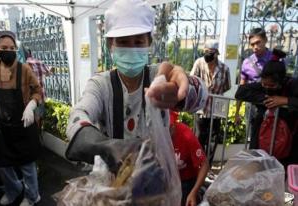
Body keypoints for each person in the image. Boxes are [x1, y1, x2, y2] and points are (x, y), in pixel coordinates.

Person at [66, 0, 207, 177]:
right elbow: (77, 117)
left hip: (158, 183)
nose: (131, 48)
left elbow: (201, 97)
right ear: (110, 44)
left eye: (138, 41)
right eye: (123, 42)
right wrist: (109, 147)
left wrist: (182, 89)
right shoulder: (101, 85)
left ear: (149, 42)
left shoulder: (160, 77)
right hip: (115, 186)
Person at [0, 30, 42, 206]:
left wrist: (31, 106)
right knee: (3, 164)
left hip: (23, 124)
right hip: (4, 125)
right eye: (4, 47)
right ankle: (13, 190)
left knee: (27, 165)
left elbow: (38, 90)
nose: (9, 51)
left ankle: (32, 196)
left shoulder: (24, 69)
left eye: (12, 48)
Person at [235, 50, 298, 167]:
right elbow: (240, 92)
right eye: (264, 84)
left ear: (282, 81)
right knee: (257, 167)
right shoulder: (262, 86)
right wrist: (266, 98)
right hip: (261, 135)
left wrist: (285, 100)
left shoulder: (293, 85)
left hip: (288, 141)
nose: (267, 87)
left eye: (272, 86)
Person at [190, 39, 231, 164]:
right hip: (201, 107)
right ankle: (198, 164)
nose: (208, 54)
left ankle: (208, 165)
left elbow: (227, 86)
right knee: (199, 137)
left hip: (216, 108)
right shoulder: (199, 63)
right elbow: (192, 80)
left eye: (211, 52)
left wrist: (215, 94)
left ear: (216, 53)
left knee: (213, 139)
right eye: (206, 52)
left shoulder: (224, 68)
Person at [235, 28, 273, 149]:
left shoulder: (275, 60)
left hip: (271, 107)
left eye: (258, 42)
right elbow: (242, 87)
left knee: (269, 140)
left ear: (265, 40)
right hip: (252, 108)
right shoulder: (247, 62)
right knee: (253, 137)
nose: (255, 47)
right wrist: (236, 112)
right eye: (252, 44)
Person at [169, 111, 209, 206]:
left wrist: (194, 192)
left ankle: (199, 191)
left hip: (186, 181)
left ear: (173, 125)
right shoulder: (158, 136)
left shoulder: (186, 135)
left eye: (168, 128)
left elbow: (205, 165)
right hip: (168, 180)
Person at [24, 48, 51, 129]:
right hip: (39, 96)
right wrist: (49, 70)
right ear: (30, 53)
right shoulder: (38, 62)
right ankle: (37, 134)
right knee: (38, 117)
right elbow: (48, 73)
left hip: (25, 98)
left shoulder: (20, 65)